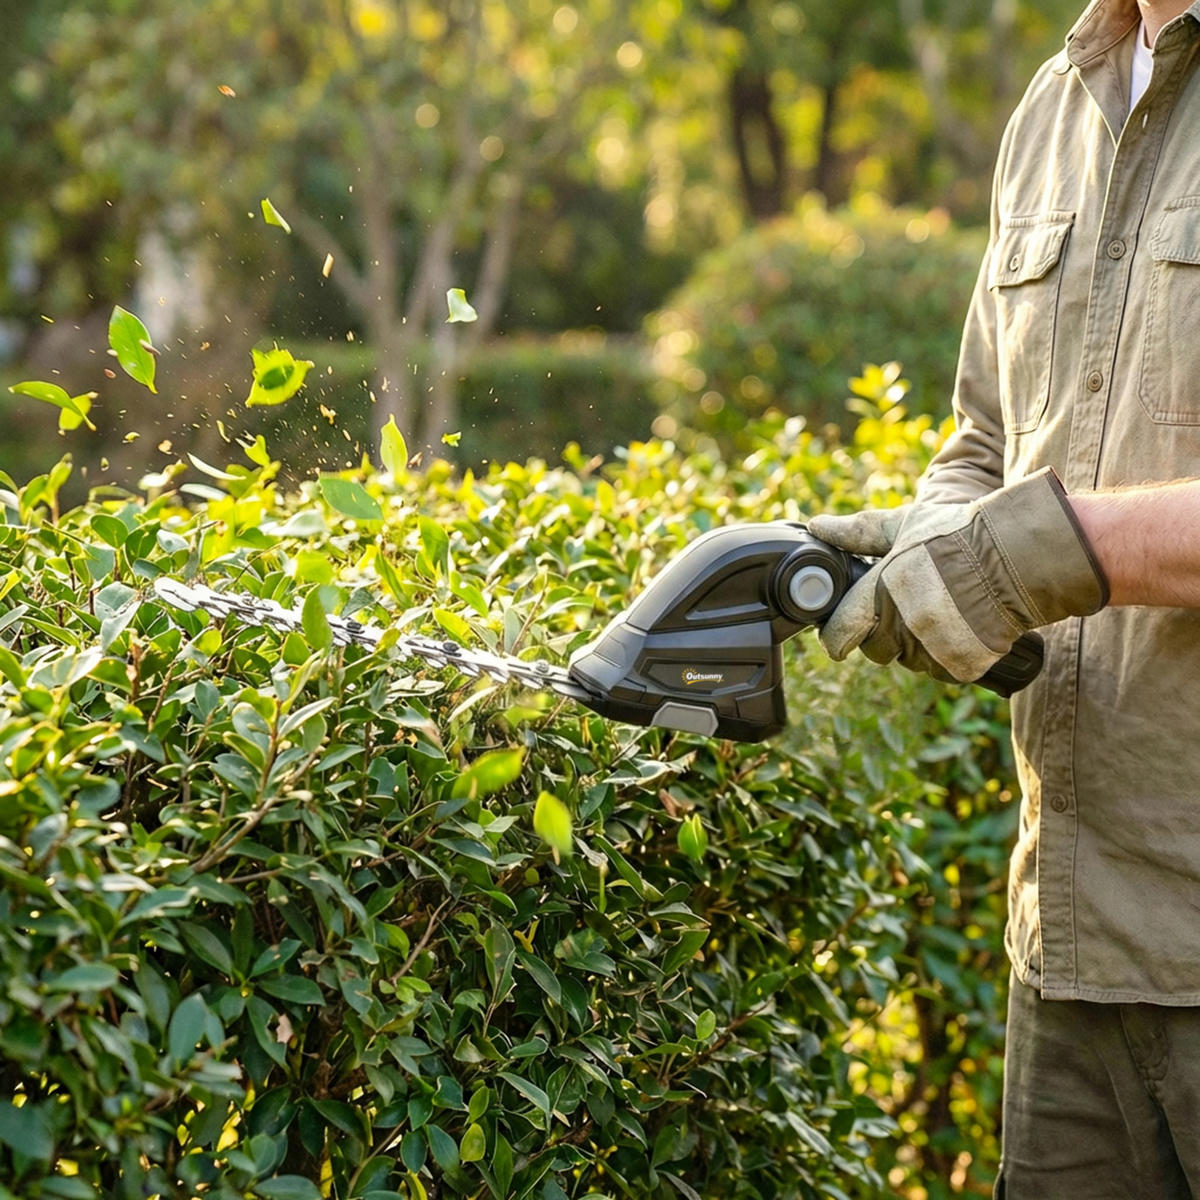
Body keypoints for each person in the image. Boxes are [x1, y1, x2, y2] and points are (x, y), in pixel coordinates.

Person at [806, 0, 1200, 1194]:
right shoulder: (1051, 107)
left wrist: (1033, 557)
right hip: (1070, 949)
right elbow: (982, 442)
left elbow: (1035, 531)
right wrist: (927, 551)